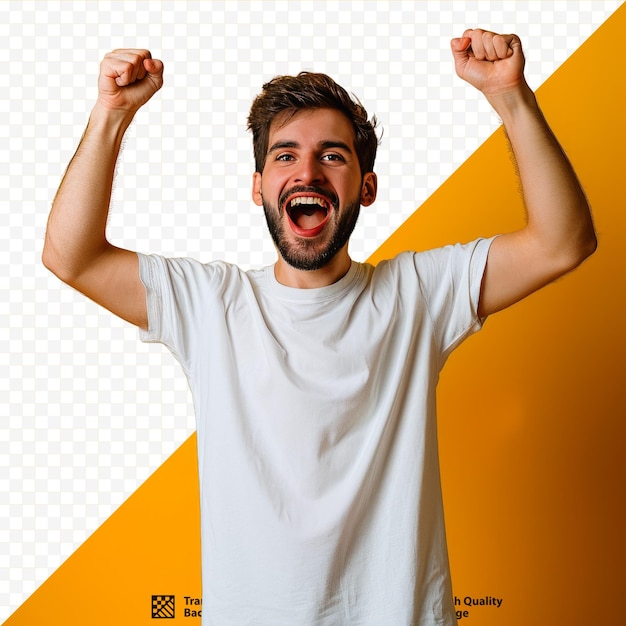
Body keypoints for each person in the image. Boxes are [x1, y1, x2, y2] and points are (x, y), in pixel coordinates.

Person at [43, 30, 596, 626]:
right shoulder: (211, 305)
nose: (306, 172)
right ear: (259, 189)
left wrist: (511, 96)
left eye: (332, 155)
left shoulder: (416, 295)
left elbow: (562, 243)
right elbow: (71, 257)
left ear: (366, 187)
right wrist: (111, 114)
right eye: (285, 156)